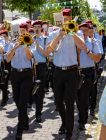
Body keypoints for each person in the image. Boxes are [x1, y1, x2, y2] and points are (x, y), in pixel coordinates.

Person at [42, 9, 87, 139]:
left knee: (69, 102)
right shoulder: (53, 33)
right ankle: (64, 122)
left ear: (70, 18)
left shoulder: (77, 32)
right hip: (58, 71)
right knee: (58, 101)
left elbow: (83, 46)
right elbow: (47, 52)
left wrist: (72, 33)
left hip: (72, 72)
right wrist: (59, 36)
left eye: (67, 18)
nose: (65, 20)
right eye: (63, 18)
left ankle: (69, 131)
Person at [7, 23, 33, 140]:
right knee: (17, 100)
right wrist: (15, 46)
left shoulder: (30, 41)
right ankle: (25, 119)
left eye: (23, 30)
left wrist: (25, 45)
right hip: (15, 74)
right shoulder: (12, 43)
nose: (21, 32)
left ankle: (19, 130)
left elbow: (29, 57)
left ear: (26, 31)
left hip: (26, 74)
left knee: (22, 102)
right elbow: (7, 59)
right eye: (20, 31)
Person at [76, 23, 102, 131]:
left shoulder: (94, 42)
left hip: (88, 72)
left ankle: (82, 120)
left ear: (89, 31)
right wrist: (78, 51)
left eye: (85, 31)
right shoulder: (74, 43)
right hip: (75, 72)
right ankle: (82, 115)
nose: (83, 33)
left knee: (84, 97)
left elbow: (97, 58)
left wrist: (86, 50)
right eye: (81, 31)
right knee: (77, 98)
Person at [31, 20, 48, 123]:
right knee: (30, 89)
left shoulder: (45, 40)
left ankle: (38, 113)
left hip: (41, 67)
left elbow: (46, 54)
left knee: (40, 92)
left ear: (41, 28)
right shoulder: (29, 39)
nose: (36, 28)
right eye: (35, 27)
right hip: (31, 67)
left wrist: (38, 45)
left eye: (38, 26)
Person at [0, 29, 12, 107]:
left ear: (7, 37)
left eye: (5, 36)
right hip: (0, 63)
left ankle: (4, 99)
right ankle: (5, 92)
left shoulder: (10, 44)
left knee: (5, 82)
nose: (3, 38)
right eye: (2, 37)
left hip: (7, 63)